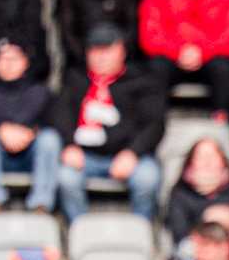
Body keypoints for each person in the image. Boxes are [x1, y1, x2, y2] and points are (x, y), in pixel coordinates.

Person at [53, 31, 163, 223]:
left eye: (107, 51)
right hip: (85, 156)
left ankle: (141, 229)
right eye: (95, 51)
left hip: (129, 156)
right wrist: (69, 145)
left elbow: (154, 124)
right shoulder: (74, 79)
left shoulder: (142, 81)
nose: (101, 57)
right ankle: (79, 229)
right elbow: (60, 116)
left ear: (121, 51)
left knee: (148, 177)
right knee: (65, 177)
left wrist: (133, 152)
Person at [0, 32, 58, 208]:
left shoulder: (40, 91)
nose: (8, 64)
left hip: (30, 155)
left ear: (25, 62)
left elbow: (54, 122)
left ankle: (41, 204)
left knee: (50, 140)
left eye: (14, 58)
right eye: (3, 58)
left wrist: (31, 132)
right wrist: (0, 129)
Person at [163, 136, 229, 248]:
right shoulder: (180, 192)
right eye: (201, 157)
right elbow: (179, 234)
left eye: (213, 156)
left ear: (223, 160)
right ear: (191, 162)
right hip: (196, 251)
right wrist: (207, 222)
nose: (207, 162)